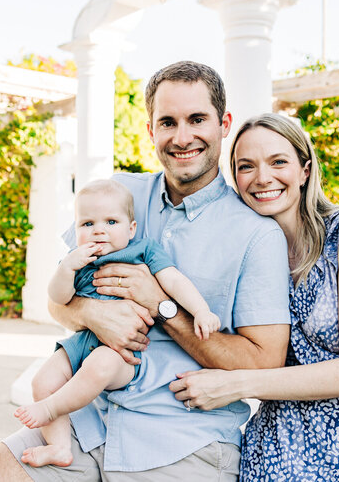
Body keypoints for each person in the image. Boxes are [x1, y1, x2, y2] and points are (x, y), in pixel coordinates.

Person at [0, 61, 291, 482]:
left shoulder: (257, 234)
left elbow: (265, 363)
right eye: (167, 122)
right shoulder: (117, 195)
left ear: (223, 124)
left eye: (197, 119)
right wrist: (91, 314)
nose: (182, 136)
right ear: (150, 131)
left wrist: (162, 306)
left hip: (184, 441)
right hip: (85, 420)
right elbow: (59, 300)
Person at [170, 113, 339, 481]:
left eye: (278, 162)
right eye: (246, 167)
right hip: (280, 438)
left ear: (305, 170)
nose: (262, 178)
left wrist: (235, 385)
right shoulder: (247, 250)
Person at [14, 178, 221, 468]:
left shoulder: (143, 250)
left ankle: (50, 408)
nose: (98, 230)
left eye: (111, 221)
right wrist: (67, 267)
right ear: (76, 230)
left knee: (99, 366)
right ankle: (59, 446)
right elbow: (58, 298)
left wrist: (200, 310)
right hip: (83, 340)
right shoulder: (78, 260)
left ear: (131, 228)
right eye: (87, 224)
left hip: (121, 351)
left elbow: (173, 280)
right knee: (42, 381)